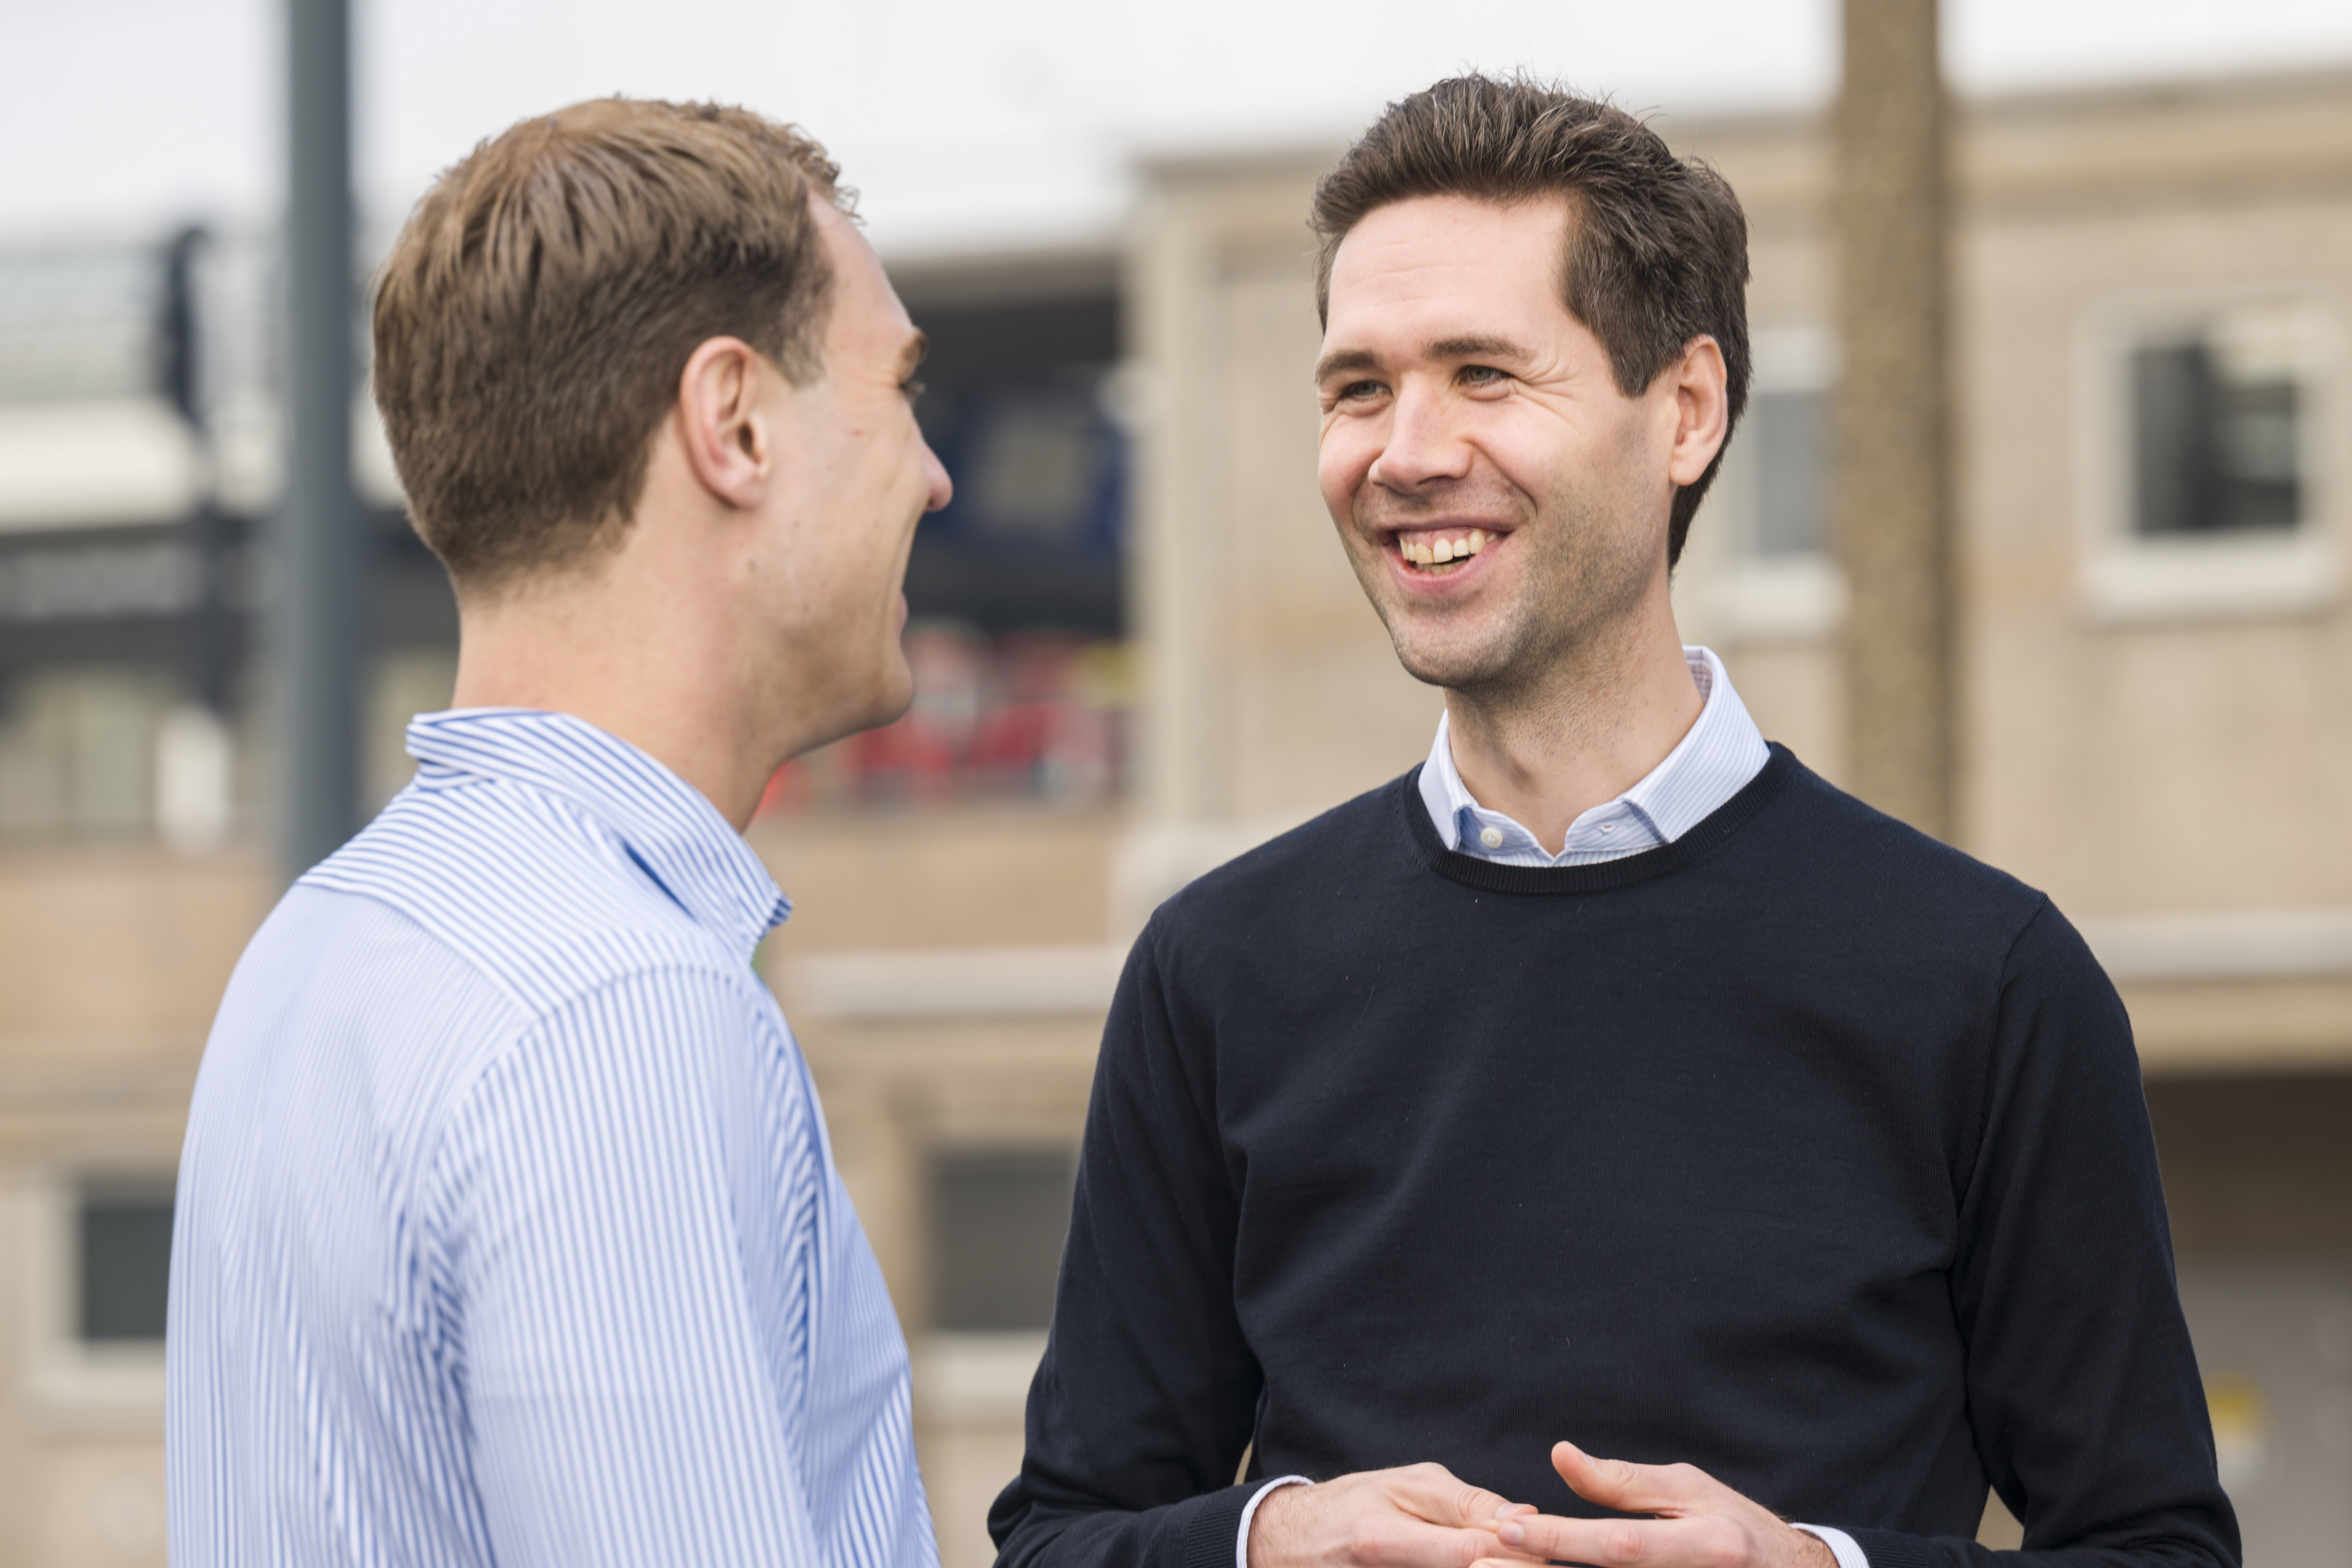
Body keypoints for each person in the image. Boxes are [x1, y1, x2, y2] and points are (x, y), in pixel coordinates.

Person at [988, 75, 2238, 1568]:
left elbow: (2158, 1548)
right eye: (1358, 385)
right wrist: (1261, 1542)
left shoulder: (1984, 979)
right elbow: (1056, 1540)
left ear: (1686, 413)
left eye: (1482, 373)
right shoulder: (1216, 969)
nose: (1403, 451)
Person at [166, 99, 951, 1567]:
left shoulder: (324, 944)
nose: (931, 471)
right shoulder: (617, 1001)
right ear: (733, 423)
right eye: (897, 390)